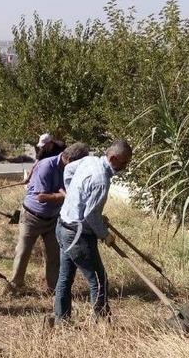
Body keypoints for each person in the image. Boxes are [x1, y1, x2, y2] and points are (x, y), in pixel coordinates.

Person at [53, 139, 133, 325]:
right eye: (124, 162)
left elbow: (68, 170)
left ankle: (61, 320)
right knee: (98, 280)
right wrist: (104, 234)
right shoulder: (101, 181)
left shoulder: (90, 161)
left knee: (65, 277)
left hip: (63, 226)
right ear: (113, 158)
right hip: (77, 235)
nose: (125, 166)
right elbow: (90, 215)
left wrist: (75, 198)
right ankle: (103, 325)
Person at [8, 142, 90, 291]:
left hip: (53, 218)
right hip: (32, 216)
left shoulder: (68, 168)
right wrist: (66, 196)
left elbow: (63, 188)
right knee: (23, 252)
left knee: (54, 255)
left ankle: (53, 288)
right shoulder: (47, 166)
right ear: (70, 160)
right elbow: (41, 197)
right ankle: (14, 286)